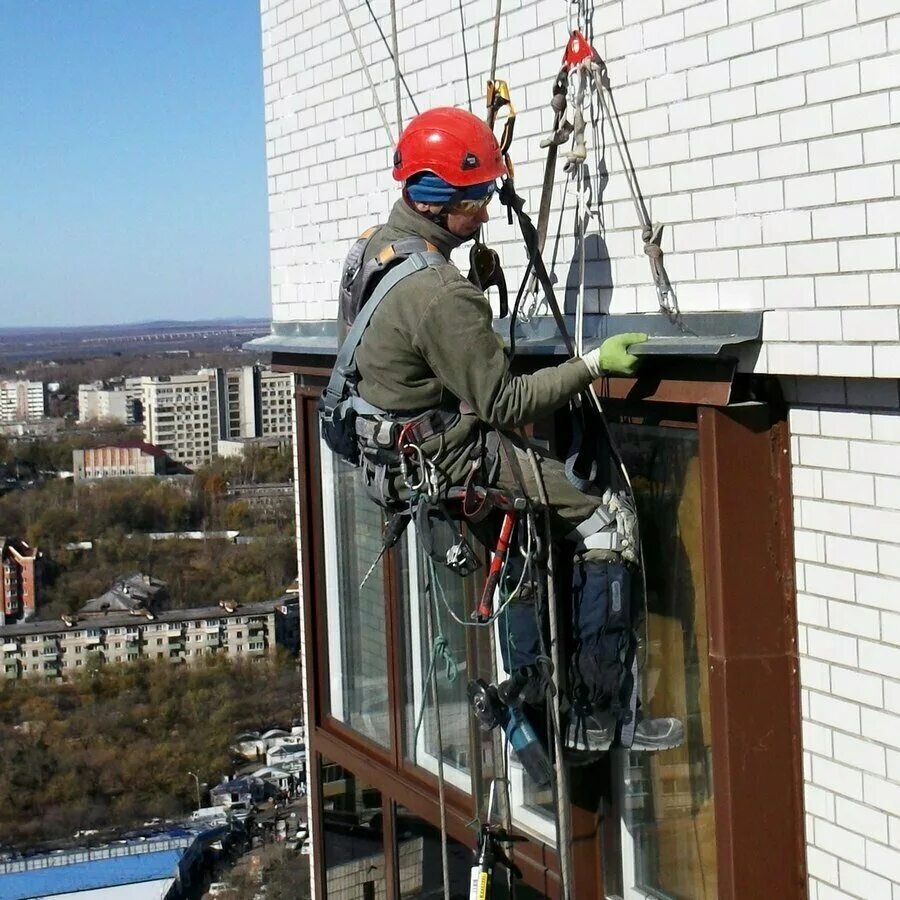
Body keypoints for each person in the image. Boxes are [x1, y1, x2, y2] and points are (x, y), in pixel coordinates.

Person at [337, 107, 682, 753]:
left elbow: (396, 350)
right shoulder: (440, 293)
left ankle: (529, 695)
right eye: (480, 199)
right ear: (441, 202)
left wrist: (467, 303)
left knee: (517, 552)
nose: (489, 212)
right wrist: (591, 364)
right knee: (605, 521)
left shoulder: (374, 249)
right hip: (448, 453)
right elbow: (504, 400)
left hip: (395, 451)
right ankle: (600, 714)